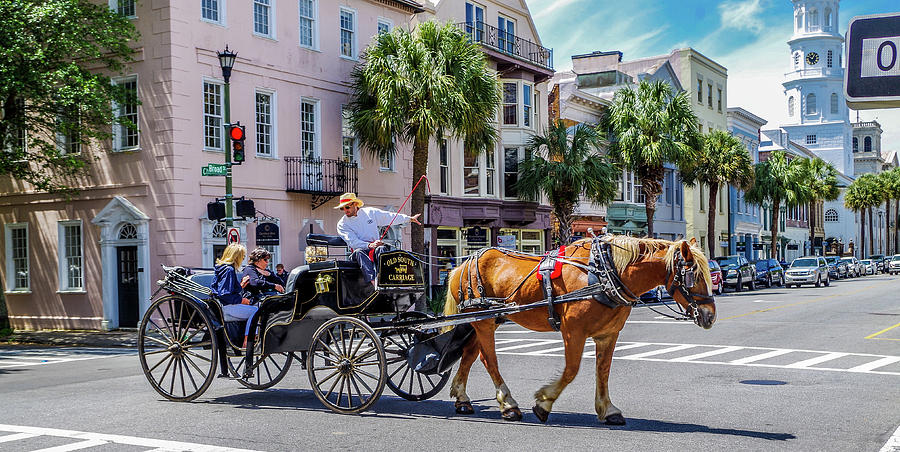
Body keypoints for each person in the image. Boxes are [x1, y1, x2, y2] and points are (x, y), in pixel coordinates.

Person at [335, 192, 421, 284]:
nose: (345, 210)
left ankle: (386, 279)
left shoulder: (370, 213)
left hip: (375, 250)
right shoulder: (342, 224)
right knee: (359, 252)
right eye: (342, 208)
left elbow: (389, 217)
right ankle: (374, 283)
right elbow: (352, 242)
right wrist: (369, 245)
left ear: (355, 204)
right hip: (358, 254)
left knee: (381, 249)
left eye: (347, 207)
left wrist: (409, 219)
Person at [211, 243, 256, 347]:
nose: (243, 259)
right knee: (256, 311)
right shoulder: (229, 270)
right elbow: (225, 294)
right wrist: (241, 300)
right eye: (242, 256)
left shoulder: (222, 268)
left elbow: (226, 289)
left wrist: (241, 286)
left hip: (225, 306)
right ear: (237, 257)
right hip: (228, 307)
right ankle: (247, 341)